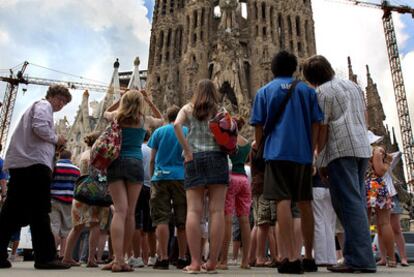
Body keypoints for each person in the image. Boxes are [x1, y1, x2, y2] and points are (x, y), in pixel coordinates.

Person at [250, 51, 323, 274]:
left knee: (282, 201)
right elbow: (317, 123)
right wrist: (311, 151)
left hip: (276, 154)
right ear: (294, 69)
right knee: (304, 203)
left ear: (272, 69)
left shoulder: (264, 92)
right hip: (301, 154)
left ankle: (290, 258)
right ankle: (309, 257)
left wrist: (261, 148)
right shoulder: (306, 91)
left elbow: (258, 127)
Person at [302, 55, 376, 273]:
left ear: (312, 78)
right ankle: (360, 256)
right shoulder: (352, 86)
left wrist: (320, 160)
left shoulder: (322, 92)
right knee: (357, 203)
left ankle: (359, 259)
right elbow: (364, 116)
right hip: (362, 148)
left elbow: (322, 129)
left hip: (341, 151)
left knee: (347, 204)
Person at [0, 84, 71, 269]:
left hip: (23, 164)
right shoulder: (43, 106)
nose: (61, 105)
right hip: (33, 165)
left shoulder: (39, 107)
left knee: (11, 212)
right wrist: (57, 139)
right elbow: (39, 127)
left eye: (64, 103)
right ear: (52, 96)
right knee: (39, 211)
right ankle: (45, 257)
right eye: (60, 100)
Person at [103, 89, 163, 272]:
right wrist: (149, 100)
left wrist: (119, 100)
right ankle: (124, 259)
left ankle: (117, 259)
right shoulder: (143, 120)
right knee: (129, 213)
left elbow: (105, 112)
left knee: (119, 212)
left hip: (116, 162)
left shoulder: (116, 117)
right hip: (135, 164)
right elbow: (161, 119)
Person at [174, 79, 229, 274]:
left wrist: (187, 150)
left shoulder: (188, 108)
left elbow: (176, 125)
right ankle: (212, 262)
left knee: (194, 212)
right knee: (216, 211)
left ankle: (195, 262)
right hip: (217, 158)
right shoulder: (219, 110)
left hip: (194, 159)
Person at [148, 105, 189, 270]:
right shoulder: (186, 131)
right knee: (182, 220)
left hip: (160, 176)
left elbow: (152, 159)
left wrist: (152, 177)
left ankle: (163, 257)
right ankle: (182, 257)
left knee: (162, 219)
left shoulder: (158, 132)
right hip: (181, 177)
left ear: (166, 116)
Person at [62, 132, 109, 268]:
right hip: (96, 192)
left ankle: (67, 256)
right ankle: (90, 258)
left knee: (77, 227)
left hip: (81, 190)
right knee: (95, 225)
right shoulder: (99, 154)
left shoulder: (82, 155)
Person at [218, 116, 251, 270]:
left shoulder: (228, 140)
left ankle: (223, 261)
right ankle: (245, 261)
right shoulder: (247, 144)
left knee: (228, 221)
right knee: (245, 221)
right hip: (244, 180)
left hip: (231, 179)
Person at [128, 130, 156, 268]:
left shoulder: (137, 149)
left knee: (136, 222)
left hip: (137, 186)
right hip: (151, 187)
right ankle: (152, 257)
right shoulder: (152, 149)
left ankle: (137, 257)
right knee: (151, 225)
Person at [366, 146, 396, 267]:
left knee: (365, 222)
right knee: (384, 223)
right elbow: (380, 171)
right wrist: (388, 161)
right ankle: (392, 259)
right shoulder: (376, 150)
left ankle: (365, 257)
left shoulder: (361, 147)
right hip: (376, 185)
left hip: (362, 185)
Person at [50, 150, 80, 259]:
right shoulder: (76, 170)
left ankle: (51, 253)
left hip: (53, 199)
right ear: (70, 157)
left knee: (54, 226)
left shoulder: (54, 167)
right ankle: (64, 254)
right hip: (68, 201)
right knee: (66, 229)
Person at [311, 166, 336, 266]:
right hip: (330, 188)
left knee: (318, 222)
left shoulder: (315, 154)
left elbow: (312, 172)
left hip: (316, 186)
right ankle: (331, 257)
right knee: (330, 224)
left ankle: (321, 258)